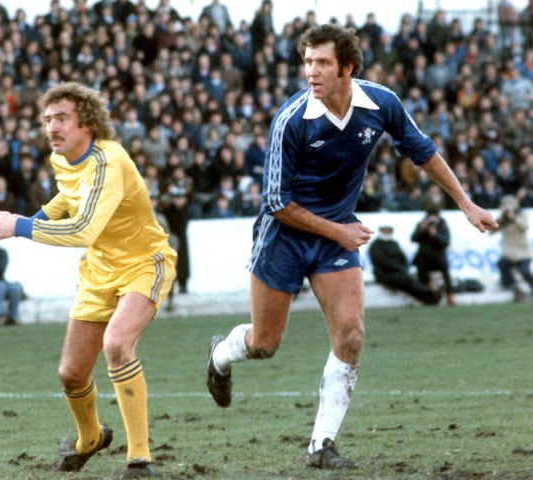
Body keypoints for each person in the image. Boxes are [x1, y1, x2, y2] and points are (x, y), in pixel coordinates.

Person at [205, 24, 498, 471]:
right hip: (283, 236)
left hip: (336, 236)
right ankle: (221, 354)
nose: (312, 72)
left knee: (352, 335)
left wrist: (466, 203)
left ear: (348, 68)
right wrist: (338, 231)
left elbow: (422, 151)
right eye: (307, 62)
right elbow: (276, 203)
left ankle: (321, 444)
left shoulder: (381, 103)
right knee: (265, 344)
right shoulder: (291, 119)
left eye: (322, 63)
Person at [0, 82, 177, 479]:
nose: (52, 127)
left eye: (62, 118)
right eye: (47, 119)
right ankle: (91, 438)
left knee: (117, 345)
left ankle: (139, 460)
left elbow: (83, 229)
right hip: (99, 271)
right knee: (70, 374)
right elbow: (66, 202)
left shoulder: (108, 160)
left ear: (86, 122)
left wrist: (19, 227)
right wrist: (33, 219)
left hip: (143, 262)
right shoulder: (62, 159)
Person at [493, 194, 533, 302]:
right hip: (509, 253)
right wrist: (502, 218)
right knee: (502, 265)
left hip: (522, 252)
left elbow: (524, 227)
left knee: (525, 272)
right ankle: (516, 289)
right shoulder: (502, 220)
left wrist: (513, 217)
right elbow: (492, 230)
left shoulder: (521, 216)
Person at [368, 225, 442, 305]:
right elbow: (380, 261)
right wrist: (398, 268)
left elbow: (403, 258)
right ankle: (429, 293)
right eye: (385, 230)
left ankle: (429, 299)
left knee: (409, 282)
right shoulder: (375, 245)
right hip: (384, 274)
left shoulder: (394, 243)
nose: (387, 232)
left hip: (398, 272)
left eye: (389, 230)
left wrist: (403, 268)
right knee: (407, 281)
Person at [411, 206, 456, 305]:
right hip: (424, 257)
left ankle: (450, 294)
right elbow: (413, 239)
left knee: (445, 271)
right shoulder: (422, 224)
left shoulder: (442, 225)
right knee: (420, 263)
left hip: (438, 255)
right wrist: (421, 230)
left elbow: (445, 242)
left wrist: (435, 235)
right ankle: (427, 292)